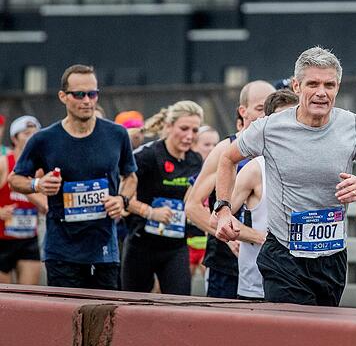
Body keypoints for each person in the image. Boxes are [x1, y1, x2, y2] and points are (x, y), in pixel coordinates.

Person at [214, 46, 356, 306]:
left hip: (332, 256)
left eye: (329, 85)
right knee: (291, 335)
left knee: (323, 338)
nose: (321, 92)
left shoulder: (354, 126)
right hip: (284, 256)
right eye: (313, 84)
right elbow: (227, 159)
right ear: (297, 87)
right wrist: (223, 210)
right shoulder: (270, 128)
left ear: (338, 88)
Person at [10, 64, 137, 290]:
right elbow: (16, 179)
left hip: (104, 246)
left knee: (105, 317)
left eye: (92, 93)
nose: (87, 100)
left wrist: (122, 200)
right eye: (79, 94)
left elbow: (131, 177)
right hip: (62, 248)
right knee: (65, 318)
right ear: (63, 96)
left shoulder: (116, 134)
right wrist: (38, 184)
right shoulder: (44, 139)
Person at [185, 80, 275, 298]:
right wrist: (241, 236)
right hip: (226, 264)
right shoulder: (226, 150)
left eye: (270, 110)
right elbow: (193, 207)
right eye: (260, 109)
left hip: (268, 266)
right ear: (243, 111)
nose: (266, 116)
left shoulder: (278, 149)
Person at [121, 101, 204, 295]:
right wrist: (150, 212)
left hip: (175, 247)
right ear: (168, 126)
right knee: (132, 306)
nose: (189, 136)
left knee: (179, 305)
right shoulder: (147, 156)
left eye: (194, 130)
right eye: (183, 128)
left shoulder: (195, 160)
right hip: (141, 244)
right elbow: (121, 198)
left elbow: (193, 200)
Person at [228, 91, 298, 300]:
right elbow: (220, 218)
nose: (289, 127)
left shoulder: (314, 165)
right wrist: (259, 237)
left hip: (302, 279)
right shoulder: (254, 169)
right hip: (257, 284)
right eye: (280, 121)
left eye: (293, 118)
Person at [0, 116, 46, 285]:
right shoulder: (4, 163)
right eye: (26, 133)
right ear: (14, 138)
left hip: (28, 239)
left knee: (29, 297)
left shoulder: (40, 168)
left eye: (35, 134)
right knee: (5, 300)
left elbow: (46, 204)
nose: (31, 138)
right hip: (3, 240)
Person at [187, 125, 220, 278]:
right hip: (187, 240)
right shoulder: (189, 171)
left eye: (215, 145)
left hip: (208, 240)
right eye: (207, 145)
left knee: (207, 284)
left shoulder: (221, 171)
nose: (212, 148)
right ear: (193, 146)